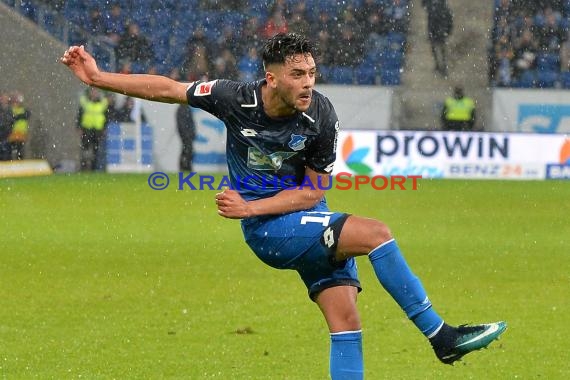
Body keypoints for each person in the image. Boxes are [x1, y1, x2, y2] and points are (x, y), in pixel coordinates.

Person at [61, 33, 506, 379]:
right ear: (271, 78)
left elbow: (314, 192)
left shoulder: (321, 115)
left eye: (311, 71)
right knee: (376, 233)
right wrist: (99, 78)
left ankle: (438, 340)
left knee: (346, 321)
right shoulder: (235, 98)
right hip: (270, 232)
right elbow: (170, 89)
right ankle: (441, 336)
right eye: (297, 74)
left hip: (303, 216)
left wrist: (250, 207)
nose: (308, 81)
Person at [77, 87, 108, 171]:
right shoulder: (85, 102)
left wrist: (104, 128)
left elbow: (106, 116)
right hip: (87, 129)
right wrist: (79, 127)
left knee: (96, 150)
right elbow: (79, 115)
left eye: (95, 91)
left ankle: (94, 168)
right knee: (85, 149)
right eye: (93, 91)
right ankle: (84, 167)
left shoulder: (102, 103)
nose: (94, 93)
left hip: (98, 130)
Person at [423, 0, 453, 76]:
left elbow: (449, 21)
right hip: (438, 30)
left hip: (439, 30)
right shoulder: (435, 9)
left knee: (440, 48)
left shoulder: (441, 9)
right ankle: (440, 65)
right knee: (437, 48)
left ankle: (442, 65)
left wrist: (447, 31)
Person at [8, 92, 31, 160]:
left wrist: (18, 117)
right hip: (13, 134)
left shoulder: (23, 110)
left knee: (20, 150)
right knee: (13, 151)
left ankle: (20, 161)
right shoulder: (11, 109)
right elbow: (12, 118)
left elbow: (27, 114)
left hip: (22, 134)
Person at [176, 104, 196, 172]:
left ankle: (186, 167)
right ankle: (185, 167)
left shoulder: (185, 108)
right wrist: (186, 135)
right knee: (187, 151)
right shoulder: (183, 109)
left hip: (188, 135)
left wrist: (192, 133)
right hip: (186, 136)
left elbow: (190, 123)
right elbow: (182, 125)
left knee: (187, 150)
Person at [0, 91, 14, 161]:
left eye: (5, 98)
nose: (4, 99)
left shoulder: (9, 109)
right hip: (2, 133)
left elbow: (11, 121)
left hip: (7, 134)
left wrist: (10, 130)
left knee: (6, 151)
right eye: (2, 98)